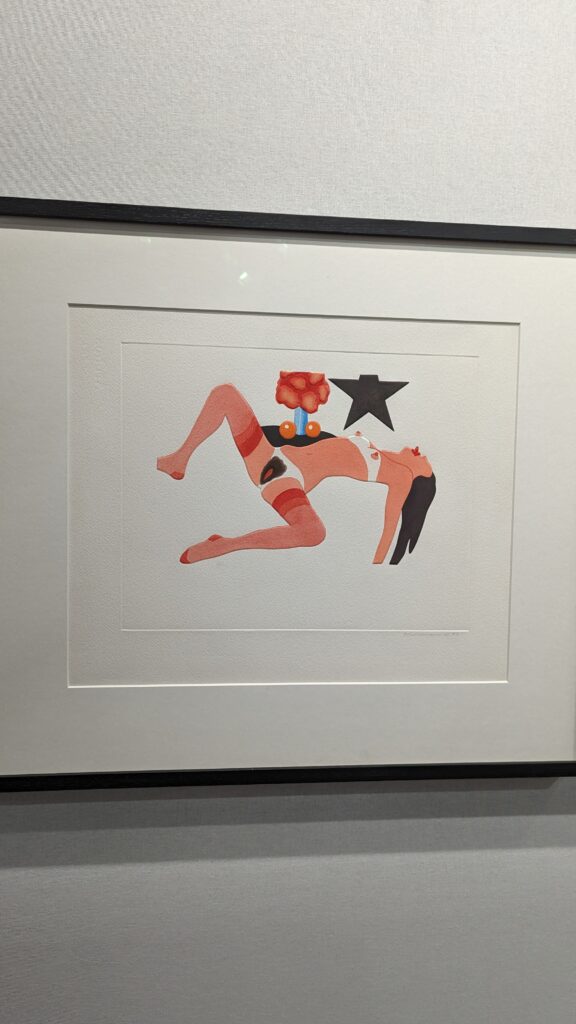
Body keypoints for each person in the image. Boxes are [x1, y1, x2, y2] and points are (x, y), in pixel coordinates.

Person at [157, 384, 436, 565]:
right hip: (270, 455)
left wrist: (378, 566)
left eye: (426, 463)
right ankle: (178, 459)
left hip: (288, 481)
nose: (423, 453)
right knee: (225, 394)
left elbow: (390, 526)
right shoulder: (379, 450)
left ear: (420, 478)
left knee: (314, 532)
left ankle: (228, 545)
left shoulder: (401, 476)